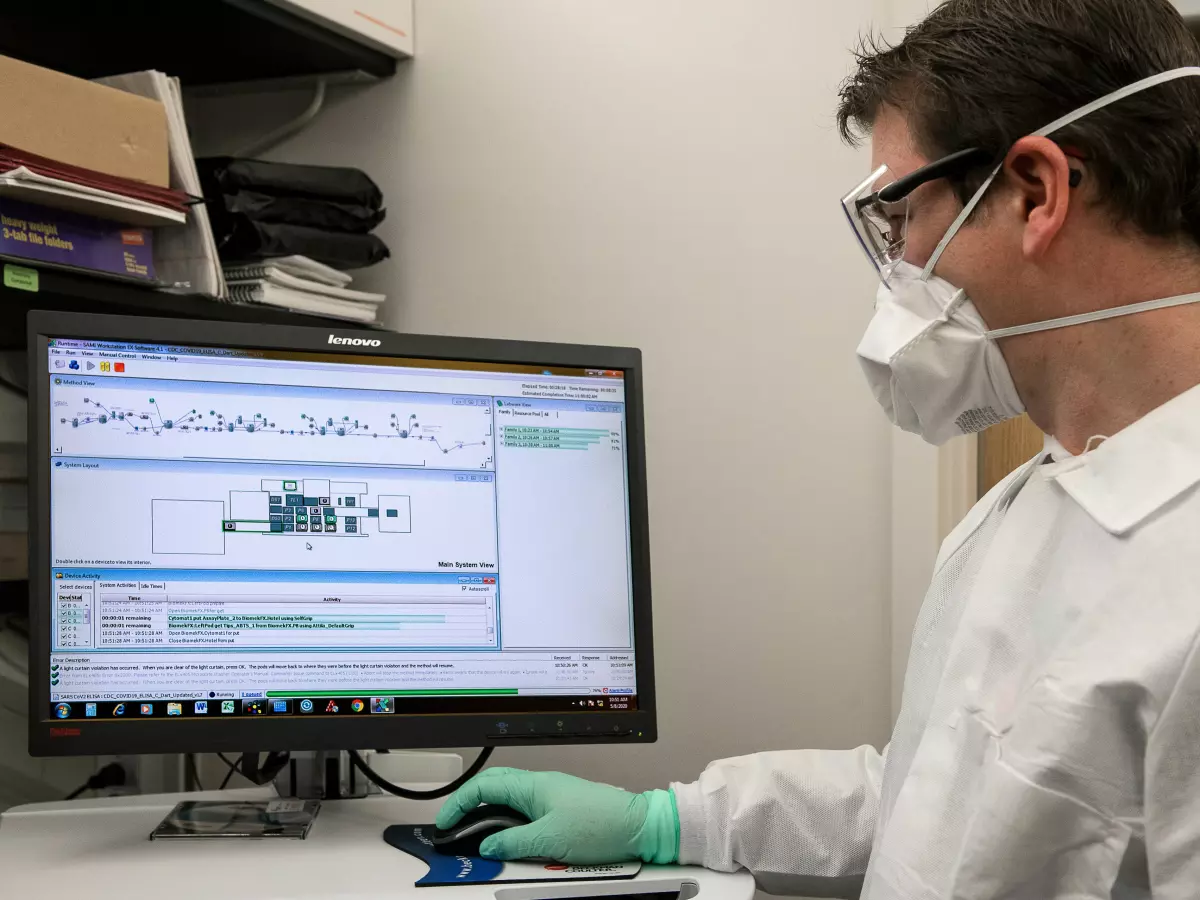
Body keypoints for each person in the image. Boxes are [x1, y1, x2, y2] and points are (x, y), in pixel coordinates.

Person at [437, 1, 1200, 895]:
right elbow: (938, 797)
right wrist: (667, 819)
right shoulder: (1031, 506)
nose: (901, 263)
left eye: (902, 217)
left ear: (1035, 191)